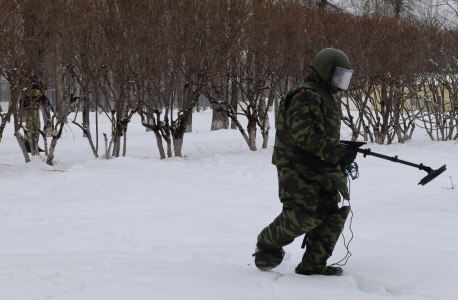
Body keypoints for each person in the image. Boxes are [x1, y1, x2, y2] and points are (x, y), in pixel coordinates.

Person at [253, 48, 357, 276]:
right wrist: (338, 153)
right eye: (337, 75)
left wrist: (343, 150)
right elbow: (306, 137)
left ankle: (313, 265)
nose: (340, 81)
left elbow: (322, 136)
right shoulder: (304, 94)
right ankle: (267, 242)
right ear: (324, 71)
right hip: (297, 167)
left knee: (330, 215)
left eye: (344, 76)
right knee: (303, 215)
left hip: (322, 166)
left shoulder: (326, 97)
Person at [22, 71, 53, 152]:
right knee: (30, 125)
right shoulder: (26, 77)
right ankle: (28, 145)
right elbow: (29, 92)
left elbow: (38, 90)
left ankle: (35, 145)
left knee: (37, 125)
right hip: (29, 105)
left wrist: (43, 97)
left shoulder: (34, 77)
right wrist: (40, 95)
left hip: (35, 105)